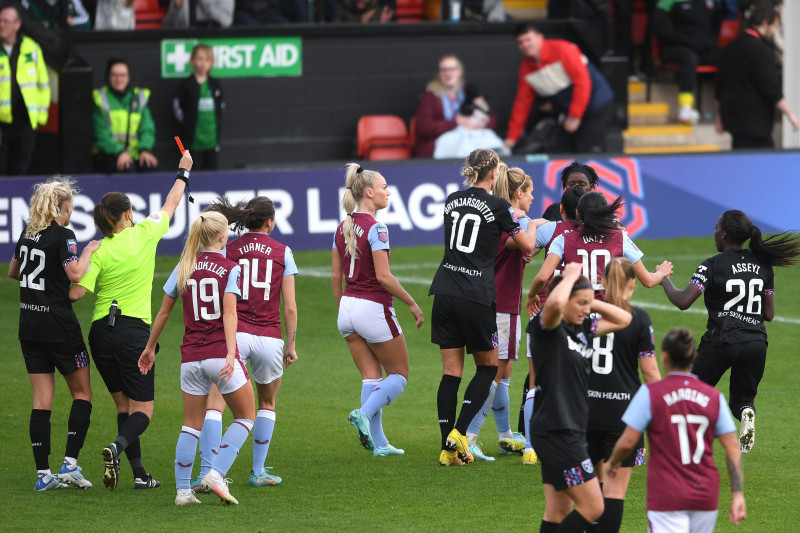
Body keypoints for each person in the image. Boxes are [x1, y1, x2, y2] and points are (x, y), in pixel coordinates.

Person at [69, 151, 192, 491]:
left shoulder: (99, 249)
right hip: (133, 331)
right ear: (126, 214)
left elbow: (77, 293)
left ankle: (139, 474)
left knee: (124, 405)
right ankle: (116, 448)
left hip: (99, 333)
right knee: (144, 411)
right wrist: (183, 171)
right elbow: (171, 203)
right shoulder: (143, 234)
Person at [138, 211, 255, 506]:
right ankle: (215, 474)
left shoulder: (184, 267)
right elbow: (230, 313)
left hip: (190, 357)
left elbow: (163, 312)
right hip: (218, 353)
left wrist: (150, 347)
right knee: (245, 415)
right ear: (222, 236)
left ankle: (182, 492)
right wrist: (231, 352)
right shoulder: (230, 268)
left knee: (191, 423)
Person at [658, 210, 800, 454]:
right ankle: (747, 414)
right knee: (742, 401)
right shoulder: (763, 265)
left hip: (721, 341)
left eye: (716, 228)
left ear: (723, 234)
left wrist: (663, 279)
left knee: (689, 391)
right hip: (756, 343)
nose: (714, 233)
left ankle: (687, 446)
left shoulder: (712, 265)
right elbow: (769, 314)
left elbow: (683, 301)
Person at [429, 148, 533, 466]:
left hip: (444, 290)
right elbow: (527, 246)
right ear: (493, 174)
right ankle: (460, 434)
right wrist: (528, 224)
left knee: (450, 374)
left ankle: (448, 450)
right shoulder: (500, 206)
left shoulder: (451, 201)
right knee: (488, 368)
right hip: (475, 295)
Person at [188, 195, 298, 489]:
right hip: (270, 337)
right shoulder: (283, 252)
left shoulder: (229, 249)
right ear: (270, 222)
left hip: (234, 336)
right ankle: (258, 471)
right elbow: (289, 306)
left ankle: (206, 471)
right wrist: (291, 344)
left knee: (216, 403)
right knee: (266, 402)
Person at [606, 328, 747, 532]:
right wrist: (737, 495)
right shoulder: (714, 397)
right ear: (694, 357)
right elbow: (733, 447)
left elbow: (628, 442)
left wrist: (612, 463)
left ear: (664, 357)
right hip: (705, 497)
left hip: (666, 495)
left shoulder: (650, 393)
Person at [9, 178, 100, 491]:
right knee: (82, 393)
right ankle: (70, 466)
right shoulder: (65, 235)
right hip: (59, 327)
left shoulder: (27, 233)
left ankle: (43, 475)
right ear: (65, 207)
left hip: (29, 327)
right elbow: (75, 273)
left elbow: (13, 271)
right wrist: (88, 251)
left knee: (40, 401)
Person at [529, 263, 632, 532]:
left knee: (558, 510)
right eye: (581, 303)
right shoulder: (546, 327)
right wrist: (571, 276)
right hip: (557, 431)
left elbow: (623, 319)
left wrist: (588, 302)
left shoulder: (582, 329)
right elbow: (552, 307)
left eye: (589, 304)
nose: (586, 309)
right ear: (563, 299)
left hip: (567, 430)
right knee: (594, 507)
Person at [332, 163, 423, 457]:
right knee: (399, 375)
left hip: (347, 308)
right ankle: (363, 413)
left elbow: (336, 278)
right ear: (369, 192)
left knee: (371, 376)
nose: (388, 192)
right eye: (384, 187)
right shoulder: (377, 228)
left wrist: (341, 312)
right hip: (372, 306)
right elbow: (384, 277)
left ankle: (380, 443)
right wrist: (411, 301)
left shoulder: (342, 226)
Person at [464, 165, 544, 462]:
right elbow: (524, 243)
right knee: (494, 373)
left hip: (489, 301)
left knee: (504, 373)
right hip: (502, 305)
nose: (533, 198)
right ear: (518, 193)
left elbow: (521, 251)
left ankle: (505, 435)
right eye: (530, 192)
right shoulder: (510, 219)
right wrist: (535, 226)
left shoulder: (498, 217)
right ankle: (469, 436)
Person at [586, 257, 661, 533]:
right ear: (633, 283)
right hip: (625, 415)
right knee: (615, 492)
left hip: (587, 411)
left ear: (603, 282)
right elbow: (650, 373)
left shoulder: (587, 316)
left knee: (592, 489)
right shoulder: (639, 319)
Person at [518, 185, 586, 465]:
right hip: (576, 315)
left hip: (544, 310)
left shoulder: (553, 231)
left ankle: (530, 448)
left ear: (561, 210)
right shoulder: (596, 234)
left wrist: (531, 225)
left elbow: (525, 252)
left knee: (536, 381)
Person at [527, 192, 672, 314]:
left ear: (578, 213)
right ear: (606, 214)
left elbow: (543, 277)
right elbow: (648, 281)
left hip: (574, 315)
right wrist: (661, 272)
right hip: (606, 316)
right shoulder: (620, 238)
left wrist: (532, 295)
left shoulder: (562, 239)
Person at [504, 23, 614, 155]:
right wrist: (512, 137)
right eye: (520, 42)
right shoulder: (526, 68)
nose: (525, 45)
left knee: (586, 148)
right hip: (572, 110)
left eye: (528, 39)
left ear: (540, 37)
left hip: (597, 104)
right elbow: (522, 104)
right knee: (562, 148)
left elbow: (582, 82)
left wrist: (574, 116)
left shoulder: (562, 49)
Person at [715, 2, 799, 149]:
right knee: (764, 166)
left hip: (735, 123)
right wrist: (791, 114)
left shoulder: (731, 47)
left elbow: (720, 85)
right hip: (755, 126)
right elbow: (771, 87)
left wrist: (720, 115)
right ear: (766, 23)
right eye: (774, 26)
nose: (773, 31)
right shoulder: (760, 49)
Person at [651, 0, 723, 124]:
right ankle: (685, 110)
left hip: (703, 48)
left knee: (729, 56)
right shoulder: (668, 1)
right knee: (689, 58)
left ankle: (725, 108)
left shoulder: (713, 2)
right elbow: (658, 27)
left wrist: (708, 41)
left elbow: (717, 23)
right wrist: (683, 40)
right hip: (676, 47)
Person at [412, 55, 498, 158]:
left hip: (471, 136)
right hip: (444, 143)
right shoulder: (430, 95)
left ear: (460, 71)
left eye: (452, 69)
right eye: (443, 70)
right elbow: (424, 127)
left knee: (491, 144)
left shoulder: (469, 90)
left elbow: (491, 117)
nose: (448, 74)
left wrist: (484, 122)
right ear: (439, 73)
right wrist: (456, 122)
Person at [0, 4, 50, 176]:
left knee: (20, 169)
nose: (1, 25)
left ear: (17, 25)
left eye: (6, 21)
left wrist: (40, 116)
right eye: (0, 21)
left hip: (25, 122)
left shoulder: (32, 49)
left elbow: (44, 85)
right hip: (2, 123)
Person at [92, 58, 158, 174]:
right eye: (114, 75)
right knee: (126, 168)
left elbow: (147, 129)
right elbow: (101, 134)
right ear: (108, 77)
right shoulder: (100, 98)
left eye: (123, 75)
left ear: (128, 77)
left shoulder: (139, 97)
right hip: (110, 153)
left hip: (135, 154)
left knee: (149, 165)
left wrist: (145, 149)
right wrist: (119, 152)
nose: (119, 79)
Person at [173, 44, 225, 170]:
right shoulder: (186, 85)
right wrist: (186, 128)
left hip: (212, 142)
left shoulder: (215, 85)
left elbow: (221, 109)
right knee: (192, 177)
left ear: (211, 63)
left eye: (207, 60)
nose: (203, 63)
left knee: (211, 177)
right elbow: (177, 109)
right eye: (200, 59)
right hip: (192, 142)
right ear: (192, 61)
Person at [21, 0, 92, 29]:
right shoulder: (28, 1)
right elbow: (19, 22)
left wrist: (70, 21)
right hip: (36, 44)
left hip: (63, 46)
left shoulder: (71, 1)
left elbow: (86, 21)